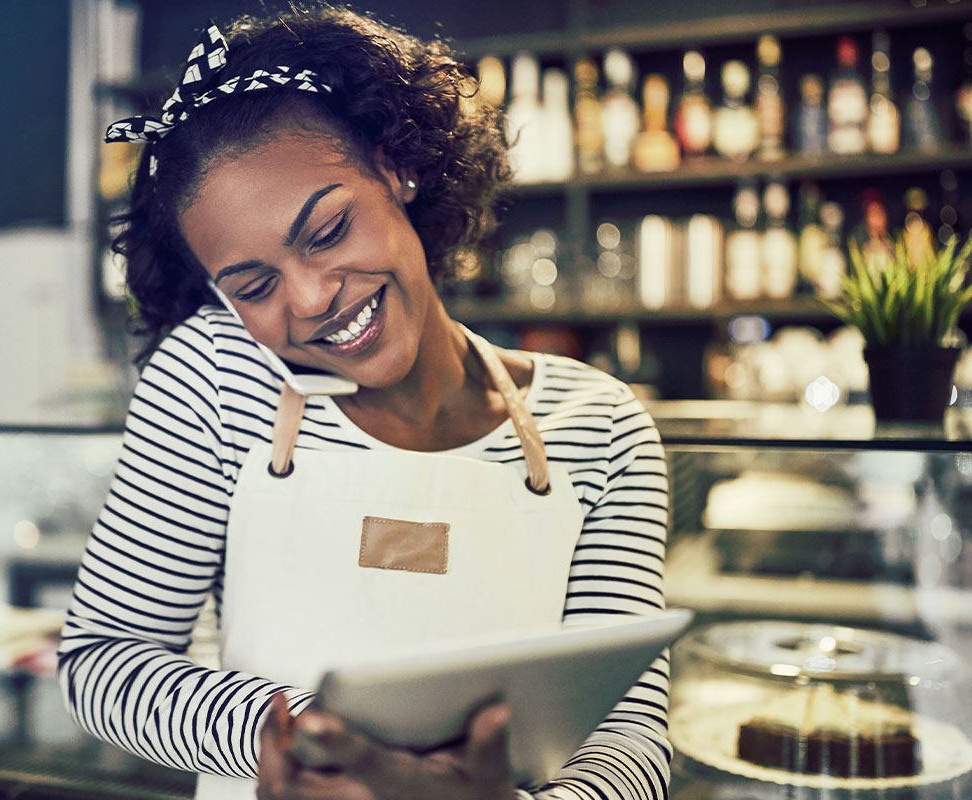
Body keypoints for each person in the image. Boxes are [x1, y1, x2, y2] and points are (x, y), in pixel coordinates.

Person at [58, 6, 670, 799]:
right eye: (254, 285)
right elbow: (105, 663)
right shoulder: (215, 374)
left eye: (329, 229)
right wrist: (314, 741)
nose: (309, 298)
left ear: (396, 170)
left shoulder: (602, 428)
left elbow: (630, 738)